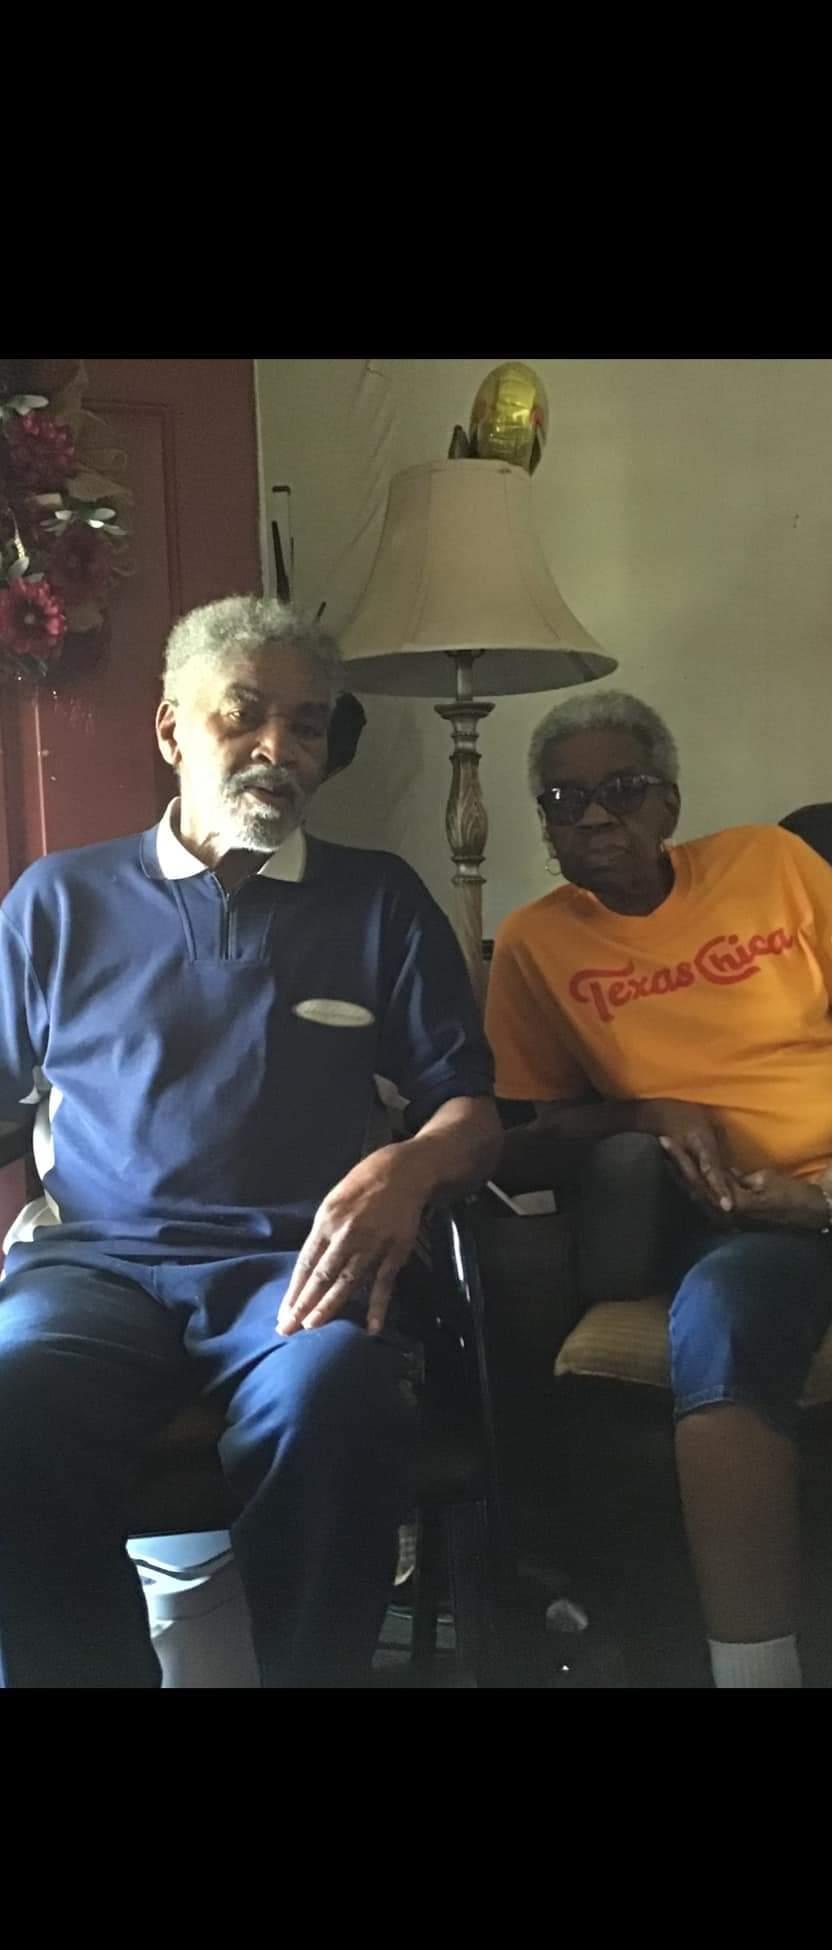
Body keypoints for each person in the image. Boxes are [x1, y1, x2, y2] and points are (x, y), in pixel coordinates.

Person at [0, 596, 500, 1688]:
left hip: (297, 1267)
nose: (281, 747)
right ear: (173, 728)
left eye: (310, 723)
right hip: (96, 1265)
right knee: (10, 1393)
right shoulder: (56, 902)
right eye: (246, 715)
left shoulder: (379, 900)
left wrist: (408, 1165)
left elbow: (468, 1105)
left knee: (336, 1397)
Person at [485, 687, 832, 1689]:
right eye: (563, 798)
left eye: (620, 789)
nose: (592, 815)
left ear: (668, 802)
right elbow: (521, 1145)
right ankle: (753, 1671)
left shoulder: (767, 862)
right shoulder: (533, 942)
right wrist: (647, 1113)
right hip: (738, 1210)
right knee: (720, 1340)